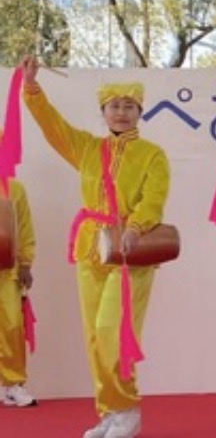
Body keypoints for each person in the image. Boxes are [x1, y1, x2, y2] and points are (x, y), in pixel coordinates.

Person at [20, 55, 170, 438]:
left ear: (140, 111)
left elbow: (154, 198)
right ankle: (110, 412)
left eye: (128, 106)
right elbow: (52, 127)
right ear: (103, 112)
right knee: (93, 337)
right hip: (90, 249)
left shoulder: (152, 154)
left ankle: (128, 410)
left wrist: (136, 226)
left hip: (130, 253)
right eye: (113, 106)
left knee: (112, 332)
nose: (121, 112)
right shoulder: (87, 148)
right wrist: (32, 87)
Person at [0, 153, 37, 408]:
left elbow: (24, 227)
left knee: (12, 327)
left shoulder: (15, 189)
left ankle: (12, 384)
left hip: (7, 271)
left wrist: (25, 263)